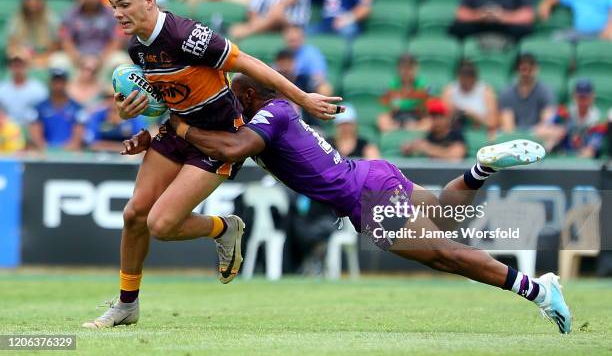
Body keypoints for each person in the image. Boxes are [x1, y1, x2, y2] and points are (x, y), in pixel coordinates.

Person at [124, 73, 571, 334]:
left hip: (364, 195)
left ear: (246, 97)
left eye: (232, 102)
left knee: (446, 255)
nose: (228, 109)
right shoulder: (266, 115)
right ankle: (480, 170)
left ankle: (537, 290)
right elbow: (221, 145)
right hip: (372, 176)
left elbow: (232, 148)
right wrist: (156, 135)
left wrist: (177, 125)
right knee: (441, 218)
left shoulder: (273, 112)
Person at [82, 0, 343, 329]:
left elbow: (247, 63)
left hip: (217, 140)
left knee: (161, 224)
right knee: (133, 215)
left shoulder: (186, 35)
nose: (118, 13)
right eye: (113, 6)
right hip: (177, 131)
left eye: (124, 3)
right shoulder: (136, 49)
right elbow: (168, 98)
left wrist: (302, 97)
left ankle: (224, 228)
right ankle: (127, 305)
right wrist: (134, 113)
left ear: (149, 0)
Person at [58, 0, 125, 73]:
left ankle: (113, 88)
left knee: (121, 60)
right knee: (58, 61)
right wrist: (79, 60)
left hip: (104, 57)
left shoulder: (110, 13)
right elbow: (66, 40)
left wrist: (100, 59)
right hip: (78, 58)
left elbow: (116, 40)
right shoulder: (71, 14)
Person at [6, 0, 60, 69]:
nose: (32, 3)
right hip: (23, 58)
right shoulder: (16, 20)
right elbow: (12, 45)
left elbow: (56, 46)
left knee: (59, 60)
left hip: (45, 57)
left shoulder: (52, 20)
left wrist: (41, 59)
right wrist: (21, 54)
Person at [543, 79, 606, 157]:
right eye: (580, 97)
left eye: (585, 97)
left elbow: (590, 151)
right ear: (574, 96)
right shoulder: (564, 113)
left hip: (585, 163)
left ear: (592, 97)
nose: (582, 101)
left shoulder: (598, 121)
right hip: (562, 156)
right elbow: (543, 129)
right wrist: (555, 133)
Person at [29, 67, 86, 152]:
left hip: (70, 154)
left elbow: (77, 137)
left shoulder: (77, 108)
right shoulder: (39, 108)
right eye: (55, 81)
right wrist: (47, 150)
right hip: (44, 153)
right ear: (49, 82)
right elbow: (36, 135)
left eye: (61, 81)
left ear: (66, 82)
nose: (58, 84)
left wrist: (65, 151)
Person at [499, 54, 556, 134]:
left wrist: (532, 133)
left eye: (530, 69)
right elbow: (508, 125)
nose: (526, 73)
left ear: (536, 69)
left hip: (538, 134)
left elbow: (547, 121)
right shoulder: (507, 92)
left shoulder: (545, 91)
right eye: (523, 69)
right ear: (517, 71)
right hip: (514, 136)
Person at [85, 88, 148, 153]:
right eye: (108, 98)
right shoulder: (97, 115)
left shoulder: (134, 116)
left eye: (118, 97)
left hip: (128, 157)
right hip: (101, 156)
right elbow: (93, 143)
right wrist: (123, 147)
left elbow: (140, 142)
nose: (113, 101)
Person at [401, 99, 467, 161]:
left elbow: (456, 156)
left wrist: (428, 148)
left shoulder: (456, 135)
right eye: (433, 116)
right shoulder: (429, 136)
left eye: (440, 116)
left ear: (447, 118)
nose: (436, 120)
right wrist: (409, 148)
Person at [378, 54, 429, 133]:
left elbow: (422, 109)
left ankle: (413, 130)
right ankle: (396, 129)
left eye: (410, 68)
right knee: (382, 119)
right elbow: (392, 108)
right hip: (397, 116)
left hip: (415, 116)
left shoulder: (421, 84)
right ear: (398, 69)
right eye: (403, 68)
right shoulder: (393, 83)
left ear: (416, 69)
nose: (406, 72)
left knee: (428, 121)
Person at [441, 60, 498, 131]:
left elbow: (493, 123)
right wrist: (452, 112)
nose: (465, 83)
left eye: (468, 79)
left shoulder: (486, 91)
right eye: (463, 79)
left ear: (474, 79)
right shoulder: (449, 90)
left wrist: (474, 117)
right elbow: (441, 121)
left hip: (480, 131)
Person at [0, 47, 49, 127]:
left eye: (21, 64)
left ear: (27, 65)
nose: (18, 67)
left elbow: (44, 114)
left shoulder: (38, 89)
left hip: (31, 131)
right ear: (9, 66)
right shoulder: (2, 89)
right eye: (15, 64)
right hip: (7, 133)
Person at [283, 24, 332, 94]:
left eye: (296, 38)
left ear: (303, 38)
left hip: (306, 87)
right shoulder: (282, 54)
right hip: (285, 87)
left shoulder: (311, 53)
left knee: (324, 87)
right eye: (291, 39)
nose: (293, 38)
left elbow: (319, 77)